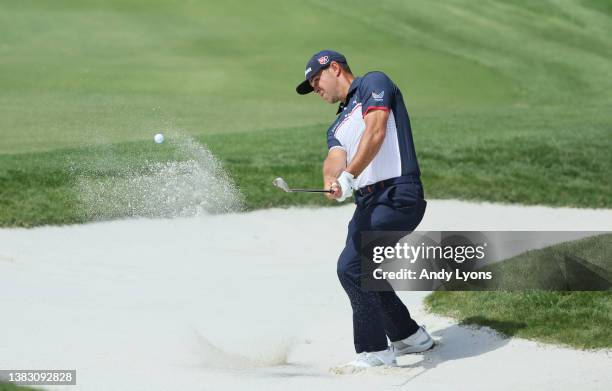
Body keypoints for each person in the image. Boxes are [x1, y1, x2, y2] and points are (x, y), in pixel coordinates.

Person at [295, 50, 434, 368]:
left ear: (335, 69)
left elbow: (377, 130)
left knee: (352, 267)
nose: (315, 88)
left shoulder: (373, 83)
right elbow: (334, 158)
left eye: (316, 79)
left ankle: (375, 353)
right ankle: (408, 336)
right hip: (368, 204)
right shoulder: (337, 125)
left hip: (398, 194)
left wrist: (349, 175)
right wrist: (333, 180)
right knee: (362, 272)